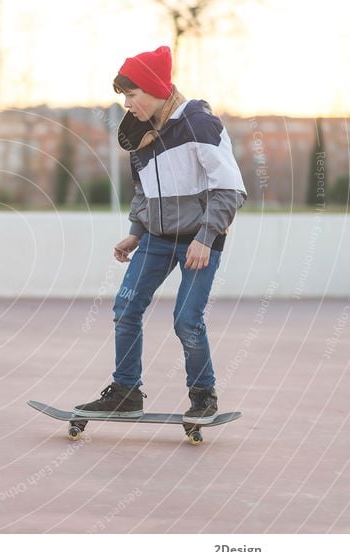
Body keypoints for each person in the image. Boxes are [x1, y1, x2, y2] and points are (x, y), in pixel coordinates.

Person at [74, 45, 247, 424]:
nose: (127, 104)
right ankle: (125, 392)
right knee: (126, 308)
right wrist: (135, 232)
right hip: (156, 237)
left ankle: (203, 396)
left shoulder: (199, 124)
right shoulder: (141, 133)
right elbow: (144, 191)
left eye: (132, 95)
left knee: (186, 319)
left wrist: (205, 237)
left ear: (154, 89)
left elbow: (230, 188)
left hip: (201, 238)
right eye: (124, 96)